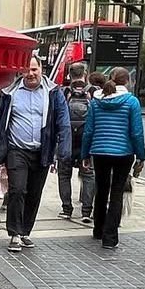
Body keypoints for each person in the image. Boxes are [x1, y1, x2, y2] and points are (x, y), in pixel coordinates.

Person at [0, 55, 71, 253]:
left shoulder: (53, 93)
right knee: (17, 190)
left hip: (42, 150)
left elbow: (63, 122)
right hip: (17, 149)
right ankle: (14, 233)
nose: (30, 74)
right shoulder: (10, 93)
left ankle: (25, 231)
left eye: (34, 69)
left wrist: (64, 152)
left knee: (34, 192)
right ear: (20, 71)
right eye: (27, 70)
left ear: (41, 69)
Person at [80, 66, 145, 250]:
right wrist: (140, 156)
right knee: (116, 192)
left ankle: (98, 229)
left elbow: (89, 131)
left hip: (99, 152)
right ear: (128, 82)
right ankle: (110, 237)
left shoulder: (96, 101)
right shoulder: (132, 102)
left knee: (101, 189)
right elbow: (137, 133)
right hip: (123, 153)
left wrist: (85, 154)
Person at [55, 66, 94, 223]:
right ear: (85, 74)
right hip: (86, 141)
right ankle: (86, 211)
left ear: (69, 75)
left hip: (67, 139)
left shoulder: (63, 92)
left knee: (64, 175)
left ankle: (66, 209)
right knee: (88, 175)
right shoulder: (93, 91)